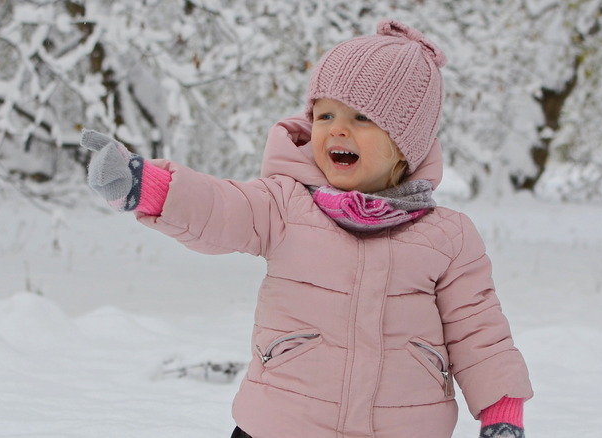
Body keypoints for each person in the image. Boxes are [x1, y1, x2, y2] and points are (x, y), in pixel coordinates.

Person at [81, 19, 532, 438]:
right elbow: (220, 208)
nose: (337, 131)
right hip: (282, 424)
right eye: (325, 115)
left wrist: (502, 412)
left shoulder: (447, 237)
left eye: (362, 118)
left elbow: (479, 332)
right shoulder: (285, 204)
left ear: (405, 146)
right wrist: (147, 185)